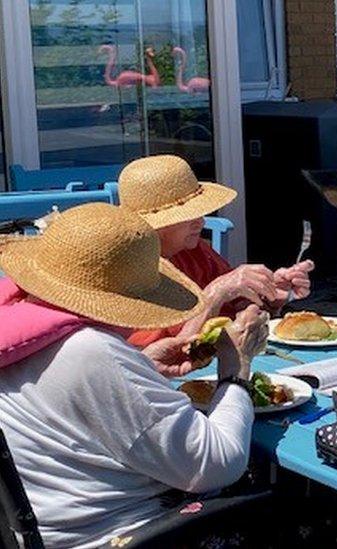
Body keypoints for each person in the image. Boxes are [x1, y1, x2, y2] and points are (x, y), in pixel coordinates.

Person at [0, 203, 268, 547]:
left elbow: (63, 398)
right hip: (128, 533)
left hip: (50, 526)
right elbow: (217, 463)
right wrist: (237, 369)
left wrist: (141, 362)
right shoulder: (90, 352)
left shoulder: (21, 333)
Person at [116, 154, 313, 349]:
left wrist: (270, 295)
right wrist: (215, 293)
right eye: (188, 215)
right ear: (154, 226)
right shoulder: (127, 273)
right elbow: (165, 355)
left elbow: (235, 299)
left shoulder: (194, 250)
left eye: (200, 212)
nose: (200, 221)